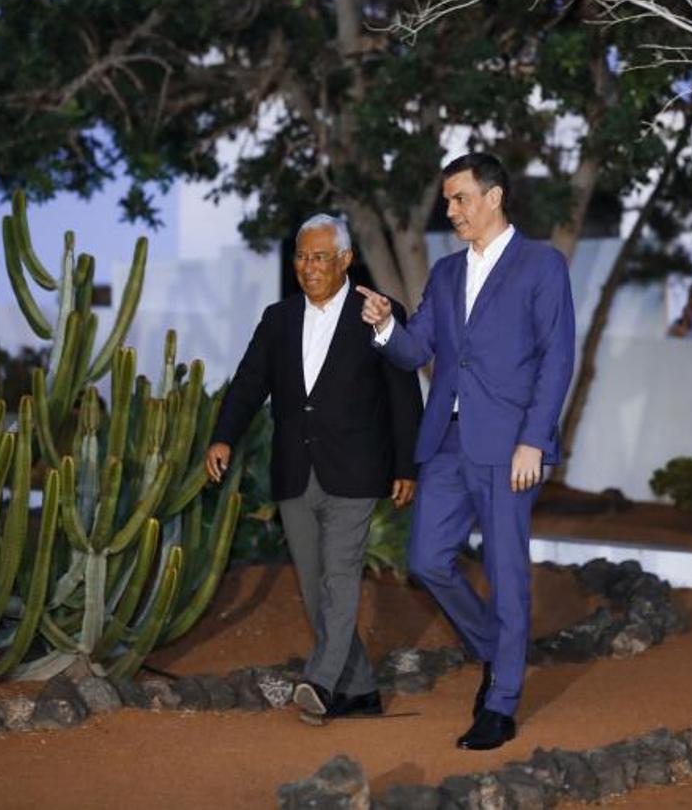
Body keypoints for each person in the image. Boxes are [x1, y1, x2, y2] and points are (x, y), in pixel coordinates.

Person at [357, 153, 576, 751]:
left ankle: (501, 703)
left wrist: (534, 439)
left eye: (459, 198)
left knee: (507, 575)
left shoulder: (541, 265)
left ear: (494, 196)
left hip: (509, 445)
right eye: (448, 200)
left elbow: (557, 360)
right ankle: (496, 650)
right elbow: (415, 349)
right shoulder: (449, 274)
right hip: (448, 441)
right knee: (427, 559)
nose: (450, 210)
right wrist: (383, 326)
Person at [205, 213, 422, 726]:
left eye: (320, 256)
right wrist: (222, 436)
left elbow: (403, 394)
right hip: (295, 471)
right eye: (302, 256)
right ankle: (362, 690)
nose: (309, 266)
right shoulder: (277, 319)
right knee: (311, 585)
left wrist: (407, 464)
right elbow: (248, 382)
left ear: (345, 259)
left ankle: (321, 682)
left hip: (356, 469)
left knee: (340, 577)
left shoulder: (377, 314)